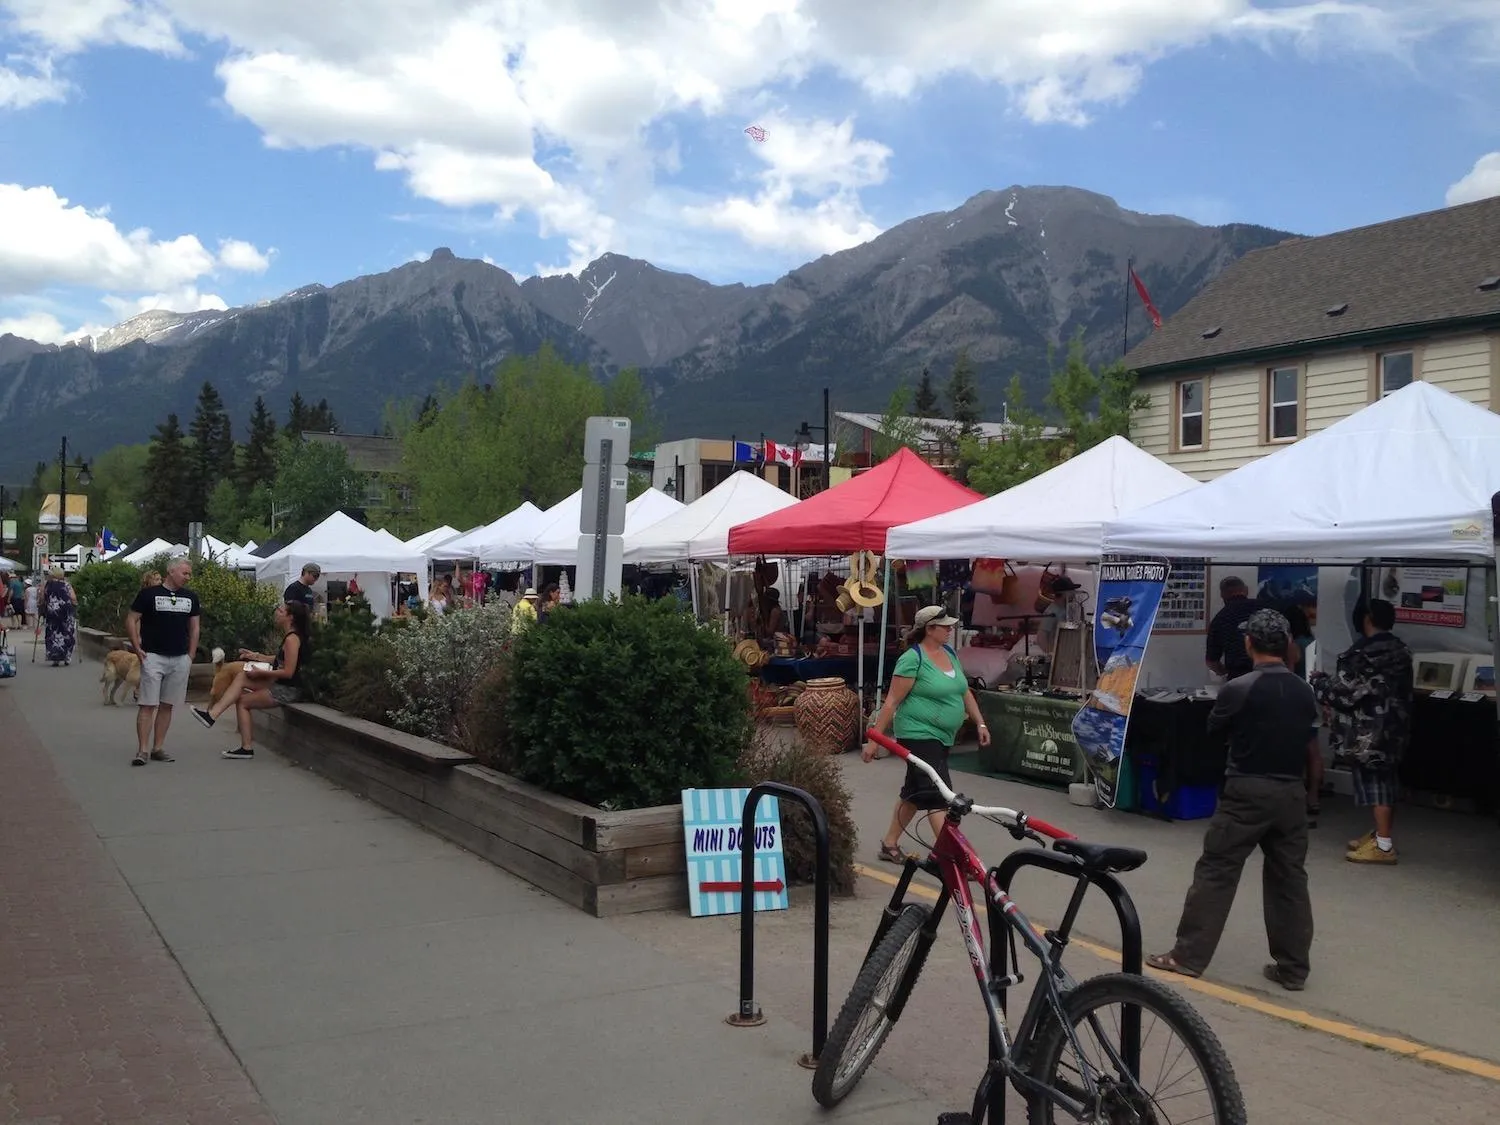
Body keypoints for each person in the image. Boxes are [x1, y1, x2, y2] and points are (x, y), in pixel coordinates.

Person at [1148, 609, 1317, 991]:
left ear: (1248, 643)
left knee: (1216, 871)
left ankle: (1187, 956)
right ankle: (1293, 968)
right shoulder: (1303, 690)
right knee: (1289, 879)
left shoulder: (1239, 688)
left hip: (1247, 788)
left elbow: (1215, 729)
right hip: (1291, 791)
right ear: (1288, 645)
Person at [862, 605, 992, 864]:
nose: (950, 629)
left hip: (942, 736)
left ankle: (889, 844)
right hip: (918, 734)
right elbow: (891, 703)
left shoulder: (949, 653)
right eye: (945, 626)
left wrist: (980, 723)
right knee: (939, 795)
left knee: (914, 791)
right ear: (929, 629)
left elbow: (963, 691)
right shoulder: (912, 659)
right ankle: (956, 857)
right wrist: (874, 741)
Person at [1318, 598, 1413, 865]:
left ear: (1367, 619)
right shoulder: (1400, 649)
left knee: (1377, 788)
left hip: (1368, 733)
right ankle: (1380, 836)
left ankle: (1383, 847)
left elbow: (1343, 693)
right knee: (1388, 784)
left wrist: (1319, 683)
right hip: (1395, 728)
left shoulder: (1363, 655)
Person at [192, 601, 310, 759]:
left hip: (288, 689)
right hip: (282, 684)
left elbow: (288, 672)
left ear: (291, 617)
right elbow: (279, 659)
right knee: (242, 677)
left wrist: (261, 673)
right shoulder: (291, 637)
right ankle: (212, 716)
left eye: (281, 611)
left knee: (243, 701)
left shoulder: (292, 639)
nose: (276, 612)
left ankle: (244, 746)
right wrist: (255, 656)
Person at [124, 557, 201, 767]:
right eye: (185, 573)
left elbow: (194, 627)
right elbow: (131, 618)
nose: (188, 577)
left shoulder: (190, 597)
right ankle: (143, 750)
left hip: (180, 657)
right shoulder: (149, 594)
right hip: (153, 656)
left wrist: (191, 654)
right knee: (148, 704)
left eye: (189, 574)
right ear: (172, 571)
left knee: (167, 705)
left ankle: (158, 747)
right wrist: (137, 648)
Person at [1205, 576, 1260, 680]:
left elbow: (1211, 662)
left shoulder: (1220, 619)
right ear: (1246, 590)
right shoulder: (1264, 608)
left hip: (1239, 678)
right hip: (1271, 676)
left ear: (1222, 595)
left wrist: (1225, 672)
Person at [41, 567, 78, 667]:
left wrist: (43, 606)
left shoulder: (46, 585)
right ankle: (67, 656)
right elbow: (73, 598)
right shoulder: (66, 585)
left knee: (53, 634)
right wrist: (74, 605)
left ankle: (55, 657)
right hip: (66, 613)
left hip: (52, 613)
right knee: (67, 633)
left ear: (52, 575)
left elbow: (42, 598)